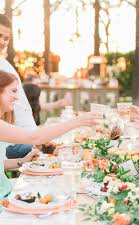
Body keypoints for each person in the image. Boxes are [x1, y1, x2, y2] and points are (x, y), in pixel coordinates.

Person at [0, 70, 101, 199]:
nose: (17, 97)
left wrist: (21, 161)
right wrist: (77, 121)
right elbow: (35, 137)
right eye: (13, 91)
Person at [0, 14, 36, 159]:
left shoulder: (5, 65)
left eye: (6, 38)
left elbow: (20, 107)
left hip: (24, 134)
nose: (2, 41)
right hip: (12, 141)